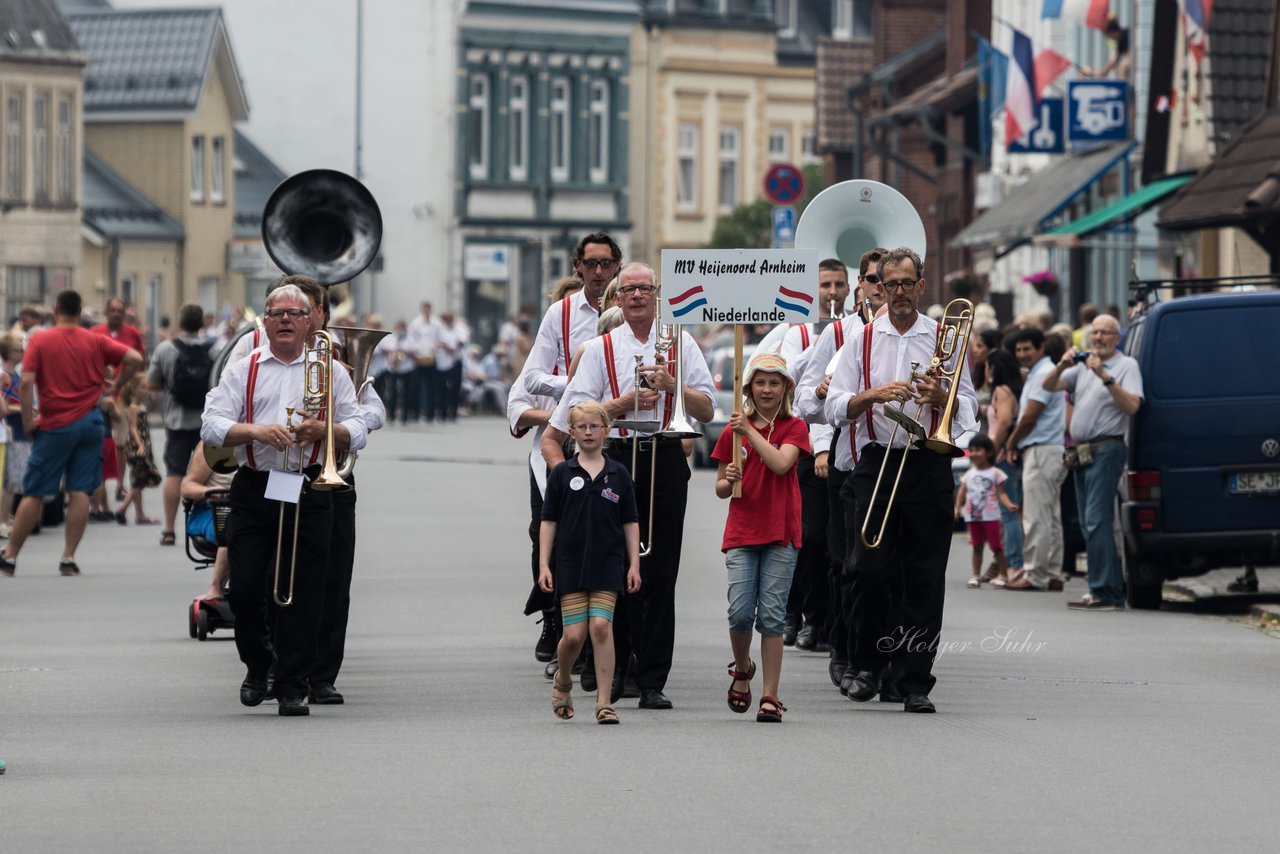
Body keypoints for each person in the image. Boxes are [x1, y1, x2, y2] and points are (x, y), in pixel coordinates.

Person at [541, 262, 715, 710]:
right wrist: (618, 405)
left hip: (665, 455)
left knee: (661, 571)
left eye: (645, 288)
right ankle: (616, 671)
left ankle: (652, 677)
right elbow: (576, 413)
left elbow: (708, 409)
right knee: (612, 569)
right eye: (629, 289)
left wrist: (673, 385)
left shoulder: (680, 342)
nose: (637, 296)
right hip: (614, 459)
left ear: (657, 295)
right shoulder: (600, 348)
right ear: (617, 299)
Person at [823, 247, 978, 713]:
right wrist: (870, 395)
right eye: (891, 285)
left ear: (922, 286)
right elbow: (833, 406)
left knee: (925, 576)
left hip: (927, 461)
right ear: (880, 288)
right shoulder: (862, 340)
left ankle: (913, 682)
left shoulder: (944, 337)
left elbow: (969, 405)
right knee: (868, 568)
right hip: (877, 460)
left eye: (908, 283)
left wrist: (942, 395)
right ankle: (868, 662)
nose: (899, 293)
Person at [200, 284, 367, 716]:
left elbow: (359, 424)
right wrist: (253, 430)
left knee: (307, 590)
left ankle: (292, 684)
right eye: (278, 313)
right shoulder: (245, 367)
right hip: (256, 485)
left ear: (311, 320)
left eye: (296, 313)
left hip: (310, 485)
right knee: (247, 587)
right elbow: (212, 424)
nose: (287, 320)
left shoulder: (332, 370)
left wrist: (326, 432)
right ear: (267, 321)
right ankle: (259, 666)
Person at [792, 247, 887, 693]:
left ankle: (886, 661)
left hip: (898, 458)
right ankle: (845, 648)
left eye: (891, 280)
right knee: (847, 562)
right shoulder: (838, 332)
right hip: (849, 460)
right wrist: (826, 392)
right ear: (860, 285)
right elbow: (804, 401)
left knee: (892, 566)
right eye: (874, 279)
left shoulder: (920, 333)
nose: (881, 288)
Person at [0, 290, 143, 577]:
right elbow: (135, 359)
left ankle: (11, 556)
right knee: (80, 491)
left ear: (55, 310)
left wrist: (29, 420)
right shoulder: (95, 339)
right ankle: (68, 557)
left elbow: (26, 384)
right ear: (79, 313)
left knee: (35, 490)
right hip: (90, 421)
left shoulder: (40, 340)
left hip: (55, 423)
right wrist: (114, 386)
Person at [713, 353, 810, 723]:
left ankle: (770, 694)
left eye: (774, 382)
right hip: (742, 530)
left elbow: (782, 463)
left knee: (771, 617)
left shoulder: (795, 427)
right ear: (749, 387)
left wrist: (750, 431)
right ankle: (742, 668)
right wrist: (730, 480)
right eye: (760, 382)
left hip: (781, 531)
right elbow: (720, 487)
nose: (766, 389)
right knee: (739, 612)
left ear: (785, 387)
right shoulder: (731, 432)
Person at [538, 401, 641, 724]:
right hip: (570, 563)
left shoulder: (618, 474)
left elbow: (630, 522)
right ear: (571, 433)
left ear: (606, 431)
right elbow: (549, 521)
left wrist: (634, 564)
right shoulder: (562, 474)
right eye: (581, 427)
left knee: (600, 626)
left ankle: (604, 701)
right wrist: (544, 564)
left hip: (608, 563)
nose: (588, 432)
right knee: (573, 636)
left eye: (594, 426)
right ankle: (564, 680)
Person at [1041, 313, 1143, 611]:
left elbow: (1133, 406)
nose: (1097, 338)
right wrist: (1062, 363)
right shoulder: (1084, 366)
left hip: (1107, 448)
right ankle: (1104, 589)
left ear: (1117, 337)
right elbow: (1049, 386)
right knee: (1089, 522)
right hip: (1082, 451)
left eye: (1105, 333)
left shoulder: (1126, 366)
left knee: (1098, 520)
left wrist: (1105, 376)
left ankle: (1105, 592)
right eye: (1094, 333)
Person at [777, 258, 849, 653]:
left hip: (837, 443)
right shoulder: (799, 330)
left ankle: (823, 620)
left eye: (839, 284)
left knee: (831, 540)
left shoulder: (854, 327)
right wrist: (821, 346)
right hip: (804, 444)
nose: (833, 293)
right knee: (807, 535)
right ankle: (803, 613)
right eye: (825, 285)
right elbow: (794, 383)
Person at [512, 277, 584, 668]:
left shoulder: (604, 352)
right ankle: (552, 621)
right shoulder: (547, 365)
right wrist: (563, 412)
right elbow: (516, 407)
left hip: (594, 457)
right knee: (546, 542)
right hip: (548, 462)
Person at [1004, 328, 1068, 592]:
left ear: (1041, 347)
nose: (1022, 354)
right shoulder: (1042, 371)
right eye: (1019, 350)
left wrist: (1011, 442)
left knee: (1036, 516)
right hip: (1051, 449)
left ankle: (1034, 573)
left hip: (1041, 449)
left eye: (1027, 348)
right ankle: (1052, 572)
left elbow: (1030, 417)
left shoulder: (1042, 373)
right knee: (1051, 516)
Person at [147, 305, 213, 545]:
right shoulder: (214, 349)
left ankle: (169, 529)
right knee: (208, 475)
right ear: (202, 324)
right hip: (208, 423)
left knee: (174, 473)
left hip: (177, 421)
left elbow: (152, 384)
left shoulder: (166, 349)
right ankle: (208, 525)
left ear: (181, 323)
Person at [954, 435, 1018, 588]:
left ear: (989, 452)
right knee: (977, 546)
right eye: (971, 450)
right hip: (973, 516)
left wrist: (1009, 505)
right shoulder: (970, 474)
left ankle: (1003, 575)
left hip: (991, 516)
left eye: (978, 450)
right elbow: (961, 493)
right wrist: (957, 509)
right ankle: (975, 575)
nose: (974, 453)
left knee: (996, 547)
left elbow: (1000, 493)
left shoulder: (995, 473)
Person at [984, 347, 1023, 586]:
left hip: (1000, 457)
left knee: (1008, 513)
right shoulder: (1013, 389)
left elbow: (1005, 421)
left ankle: (1013, 565)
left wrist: (992, 451)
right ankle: (1010, 564)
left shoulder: (1002, 391)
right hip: (1006, 456)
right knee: (1010, 511)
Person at [181, 441, 234, 602]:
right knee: (233, 527)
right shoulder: (214, 443)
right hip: (213, 509)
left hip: (252, 508)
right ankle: (216, 587)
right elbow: (186, 487)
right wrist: (208, 492)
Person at [115, 374, 162, 525]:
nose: (146, 390)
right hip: (137, 446)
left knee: (138, 478)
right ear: (134, 390)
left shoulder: (141, 405)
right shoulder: (133, 407)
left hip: (143, 444)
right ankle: (123, 507)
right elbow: (133, 428)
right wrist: (140, 445)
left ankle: (139, 514)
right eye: (143, 387)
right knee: (142, 478)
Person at [0, 336, 28, 538]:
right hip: (12, 432)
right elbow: (6, 406)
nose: (23, 353)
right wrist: (25, 408)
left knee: (13, 480)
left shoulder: (15, 374)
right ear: (9, 353)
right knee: (10, 481)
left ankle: (5, 516)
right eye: (19, 350)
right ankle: (2, 521)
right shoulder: (5, 376)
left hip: (18, 432)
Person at [409, 302, 438, 422]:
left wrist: (435, 346)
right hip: (419, 357)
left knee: (431, 387)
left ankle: (430, 413)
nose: (426, 311)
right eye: (424, 309)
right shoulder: (416, 323)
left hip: (431, 357)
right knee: (416, 386)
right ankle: (415, 413)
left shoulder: (436, 323)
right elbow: (411, 338)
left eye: (428, 309)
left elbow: (439, 338)